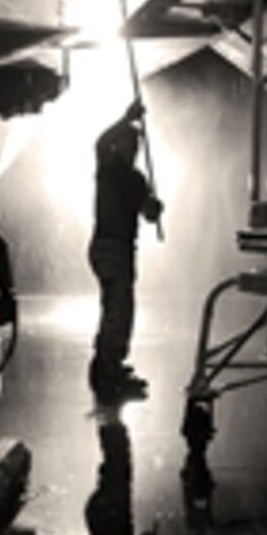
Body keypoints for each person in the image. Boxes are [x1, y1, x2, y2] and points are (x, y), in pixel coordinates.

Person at [88, 99, 163, 402]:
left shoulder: (136, 180)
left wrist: (155, 209)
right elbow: (100, 142)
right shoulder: (109, 169)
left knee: (121, 308)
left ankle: (111, 364)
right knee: (116, 310)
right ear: (119, 145)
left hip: (123, 249)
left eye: (136, 145)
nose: (133, 149)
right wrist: (125, 117)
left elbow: (147, 213)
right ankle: (107, 370)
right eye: (129, 143)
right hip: (109, 246)